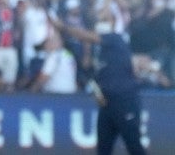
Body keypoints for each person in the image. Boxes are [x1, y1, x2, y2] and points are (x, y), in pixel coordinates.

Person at [50, 10, 146, 155]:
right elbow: (91, 70)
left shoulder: (115, 39)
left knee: (134, 146)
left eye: (105, 19)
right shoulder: (99, 51)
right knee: (103, 149)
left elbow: (87, 36)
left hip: (125, 100)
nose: (101, 23)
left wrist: (63, 27)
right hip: (107, 104)